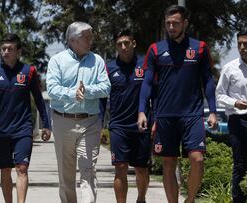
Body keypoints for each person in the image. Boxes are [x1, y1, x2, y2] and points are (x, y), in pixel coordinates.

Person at [137, 5, 218, 203]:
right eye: (168, 23)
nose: (171, 27)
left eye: (175, 23)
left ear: (185, 24)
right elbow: (147, 83)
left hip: (192, 115)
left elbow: (208, 80)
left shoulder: (199, 48)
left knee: (197, 160)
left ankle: (189, 200)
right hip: (165, 115)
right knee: (168, 162)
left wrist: (213, 111)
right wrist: (142, 111)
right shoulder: (156, 50)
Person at [46, 21, 110, 203]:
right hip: (62, 121)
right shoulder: (57, 61)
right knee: (66, 175)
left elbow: (106, 88)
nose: (91, 40)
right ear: (73, 40)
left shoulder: (97, 60)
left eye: (91, 36)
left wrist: (87, 91)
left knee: (88, 169)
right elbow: (52, 89)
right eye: (86, 37)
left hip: (89, 122)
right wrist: (73, 93)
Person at [0, 33, 51, 203]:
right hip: (1, 130)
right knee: (5, 170)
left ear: (18, 51)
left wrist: (46, 125)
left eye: (10, 49)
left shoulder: (29, 71)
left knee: (22, 168)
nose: (6, 52)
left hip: (23, 129)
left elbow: (39, 100)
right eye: (3, 48)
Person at [100, 30, 151, 203]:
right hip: (118, 126)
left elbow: (155, 93)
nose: (123, 47)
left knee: (141, 169)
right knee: (120, 167)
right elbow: (102, 98)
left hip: (141, 125)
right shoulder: (109, 67)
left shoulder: (145, 65)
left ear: (133, 44)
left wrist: (155, 121)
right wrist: (101, 126)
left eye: (126, 43)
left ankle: (141, 199)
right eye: (119, 44)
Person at [216, 28, 247, 203]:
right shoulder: (230, 68)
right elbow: (219, 94)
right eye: (240, 44)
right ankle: (238, 199)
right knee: (240, 163)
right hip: (238, 119)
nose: (242, 48)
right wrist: (235, 103)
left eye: (246, 44)